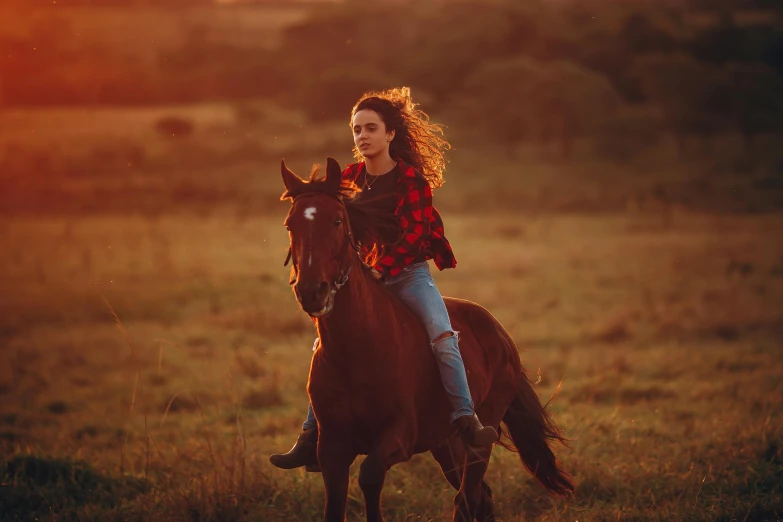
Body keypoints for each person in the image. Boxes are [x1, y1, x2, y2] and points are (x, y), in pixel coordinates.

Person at [270, 87, 497, 471]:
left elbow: (415, 236)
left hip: (408, 275)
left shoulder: (411, 182)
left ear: (390, 134)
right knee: (325, 347)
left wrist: (383, 267)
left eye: (370, 128)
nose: (362, 136)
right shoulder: (349, 179)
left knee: (442, 335)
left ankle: (465, 418)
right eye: (356, 129)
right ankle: (311, 436)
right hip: (365, 276)